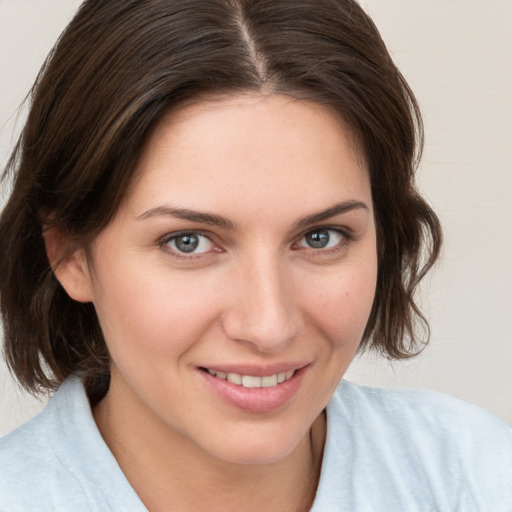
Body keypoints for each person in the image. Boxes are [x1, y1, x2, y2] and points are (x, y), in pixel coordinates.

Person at [0, 0, 510, 510]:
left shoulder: (479, 476)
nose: (269, 326)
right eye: (189, 242)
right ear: (70, 254)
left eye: (320, 237)